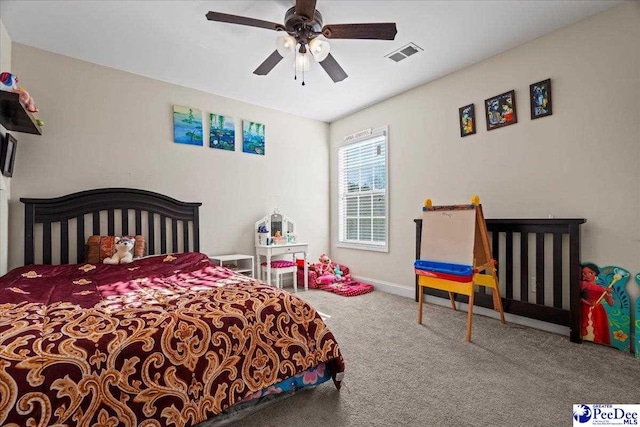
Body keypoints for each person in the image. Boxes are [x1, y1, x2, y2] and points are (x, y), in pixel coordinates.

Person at [580, 263, 613, 344]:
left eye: (590, 273)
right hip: (584, 309)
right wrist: (587, 302)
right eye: (584, 273)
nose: (587, 275)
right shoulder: (582, 284)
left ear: (595, 274)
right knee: (585, 327)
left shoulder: (601, 288)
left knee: (596, 329)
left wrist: (609, 294)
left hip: (598, 311)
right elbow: (578, 298)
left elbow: (611, 303)